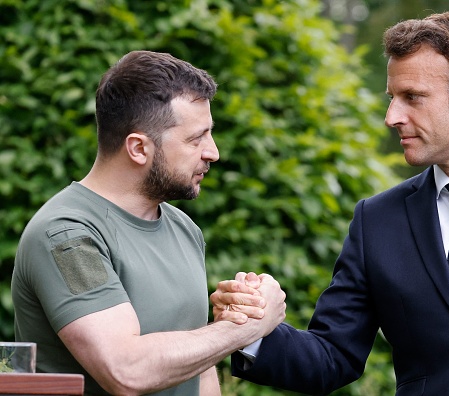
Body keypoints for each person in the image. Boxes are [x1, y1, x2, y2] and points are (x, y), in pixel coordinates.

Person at [210, 11, 449, 396]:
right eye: (393, 98)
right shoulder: (376, 220)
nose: (392, 116)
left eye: (413, 97)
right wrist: (248, 331)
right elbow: (332, 355)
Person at [11, 50, 286, 396]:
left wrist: (227, 326)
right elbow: (126, 371)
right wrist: (245, 328)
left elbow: (198, 369)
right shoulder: (67, 236)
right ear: (139, 148)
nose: (213, 152)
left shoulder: (184, 229)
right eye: (195, 138)